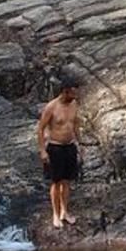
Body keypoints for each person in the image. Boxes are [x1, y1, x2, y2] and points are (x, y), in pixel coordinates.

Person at [36, 76, 83, 229]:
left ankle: (64, 211)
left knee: (67, 181)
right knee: (56, 182)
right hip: (54, 148)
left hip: (69, 146)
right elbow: (40, 129)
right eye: (73, 93)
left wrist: (80, 144)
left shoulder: (74, 104)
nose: (75, 96)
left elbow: (75, 124)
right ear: (65, 91)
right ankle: (55, 214)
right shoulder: (52, 107)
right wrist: (43, 150)